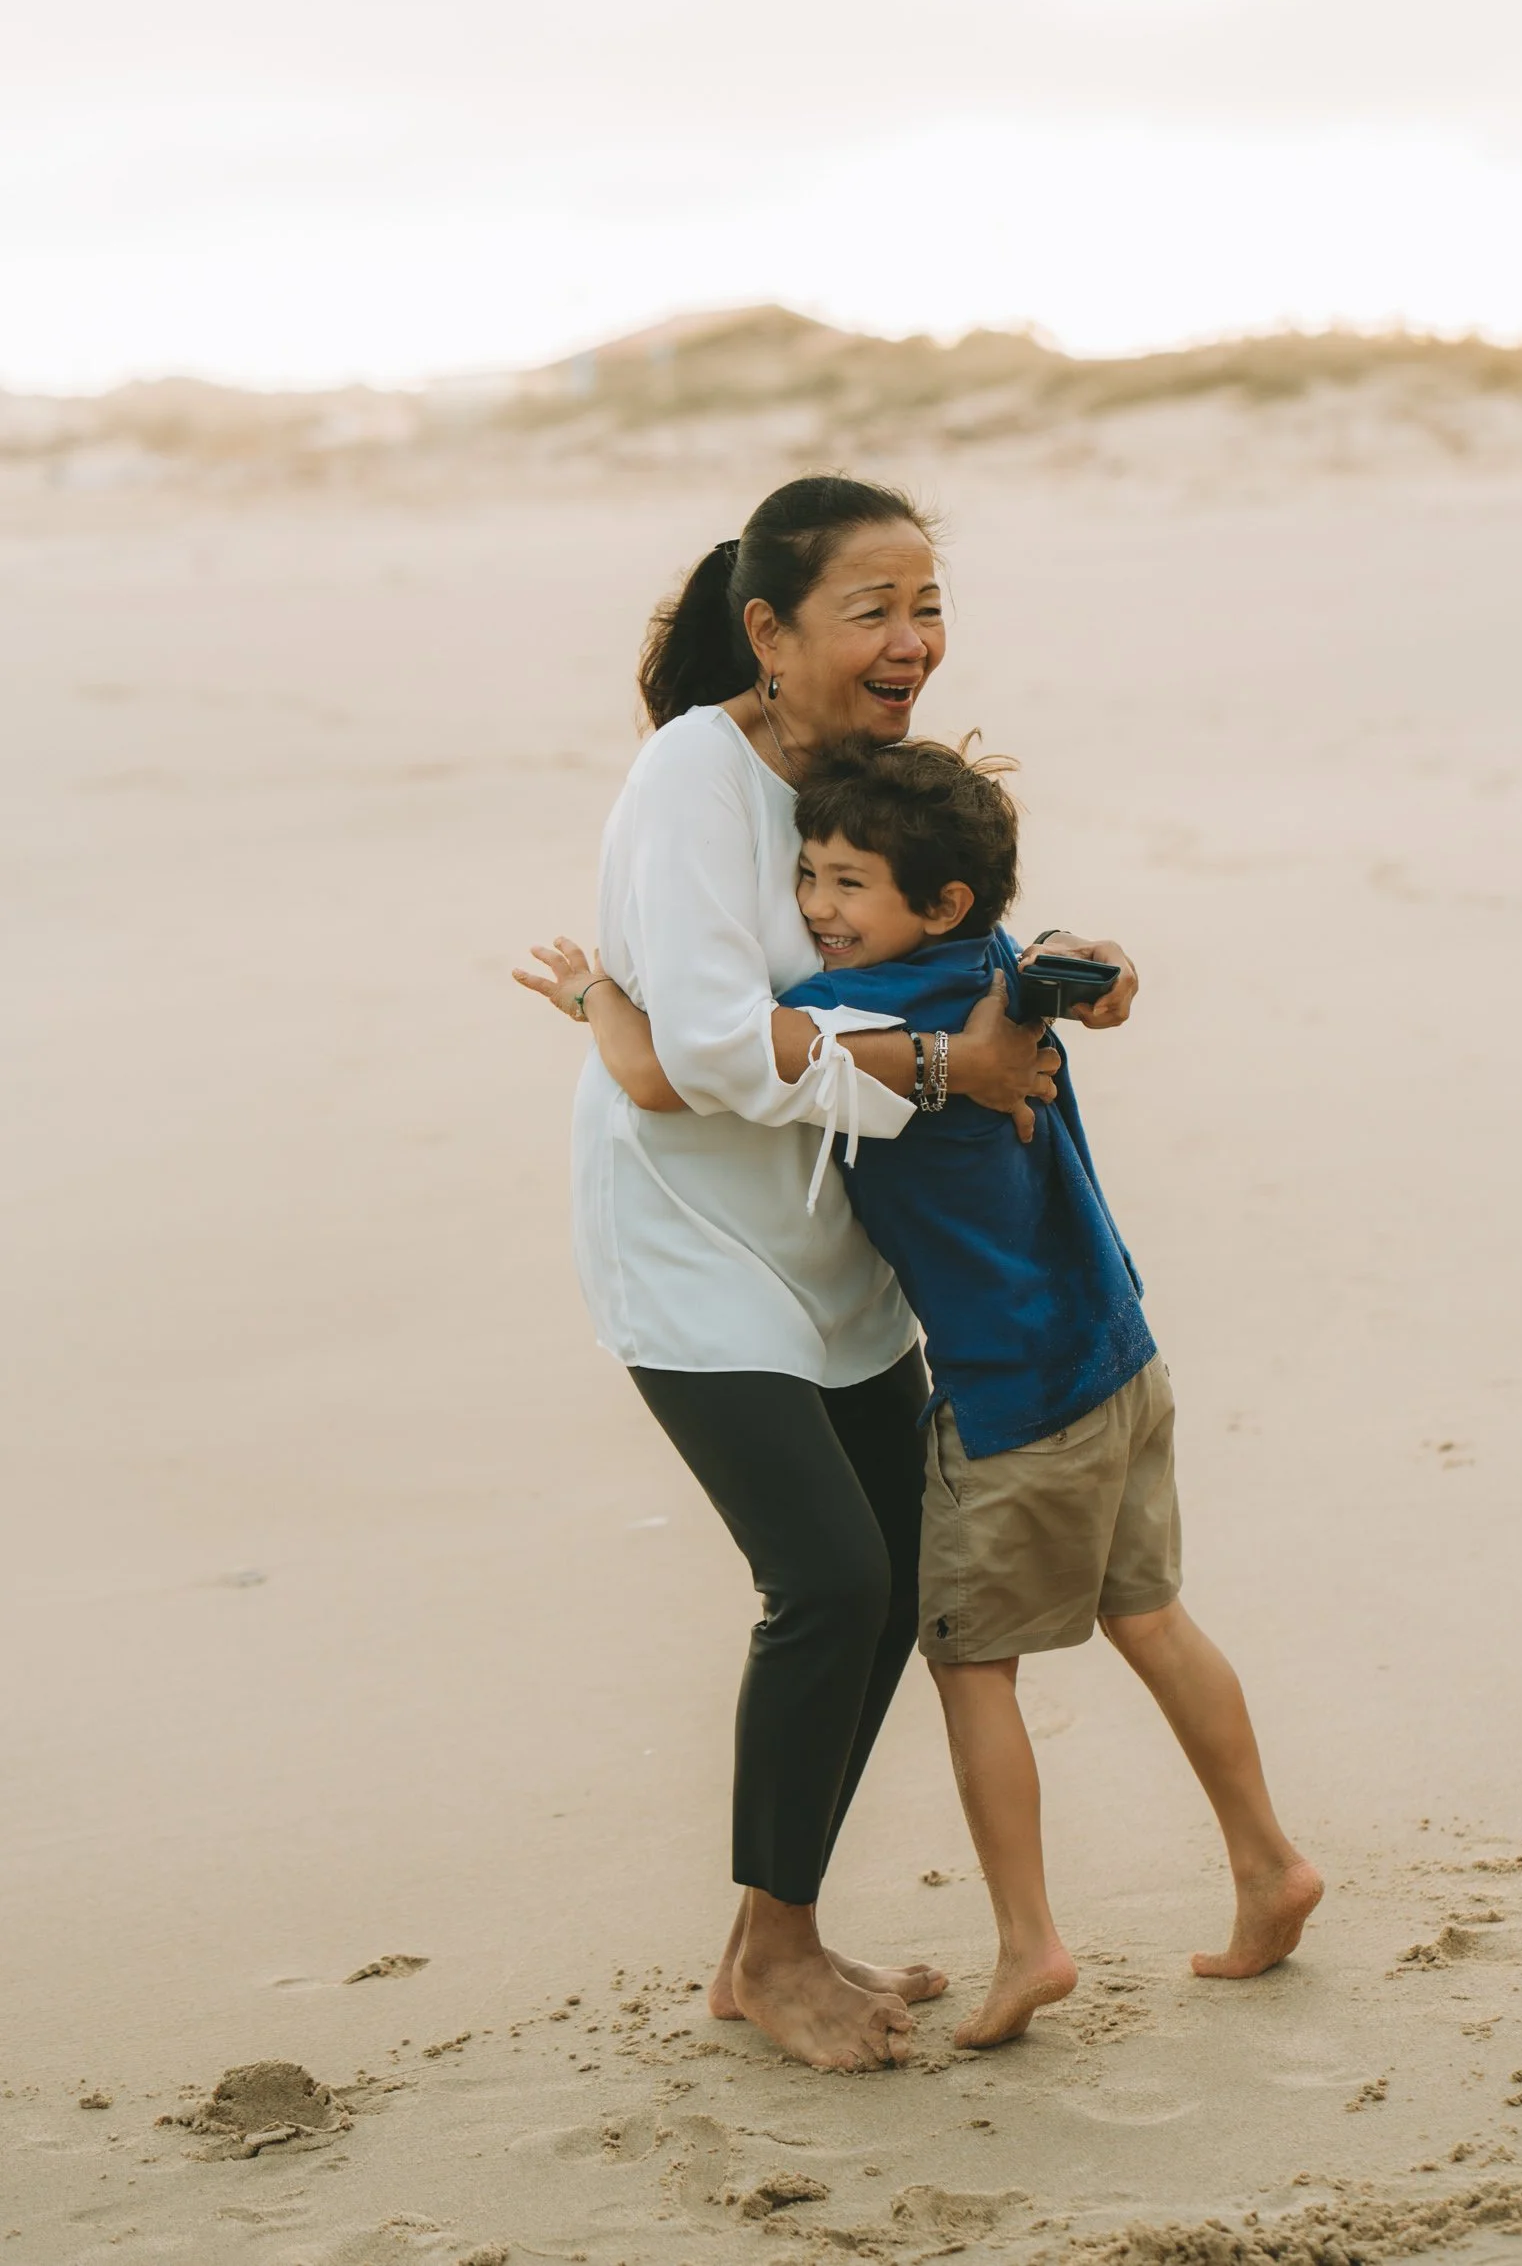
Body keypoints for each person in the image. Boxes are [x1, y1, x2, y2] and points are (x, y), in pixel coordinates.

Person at [553, 733, 1322, 2053]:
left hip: (1011, 1402)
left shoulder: (876, 1023)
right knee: (1150, 1618)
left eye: (847, 883)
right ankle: (1268, 1863)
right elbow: (1076, 968)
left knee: (969, 1664)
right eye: (806, 873)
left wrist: (594, 1000)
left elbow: (680, 1069)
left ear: (937, 902)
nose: (812, 908)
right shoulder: (996, 976)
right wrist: (1104, 971)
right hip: (1117, 1353)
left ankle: (1028, 1944)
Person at [513, 477, 1138, 2073]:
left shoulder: (857, 772)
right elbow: (708, 1055)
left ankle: (756, 1945)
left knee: (889, 1588)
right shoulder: (688, 778)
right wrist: (951, 1067)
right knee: (830, 1585)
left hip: (836, 1236)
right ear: (769, 630)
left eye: (926, 607)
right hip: (688, 1245)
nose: (911, 641)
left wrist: (1053, 994)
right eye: (872, 610)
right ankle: (777, 1945)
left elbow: (950, 936)